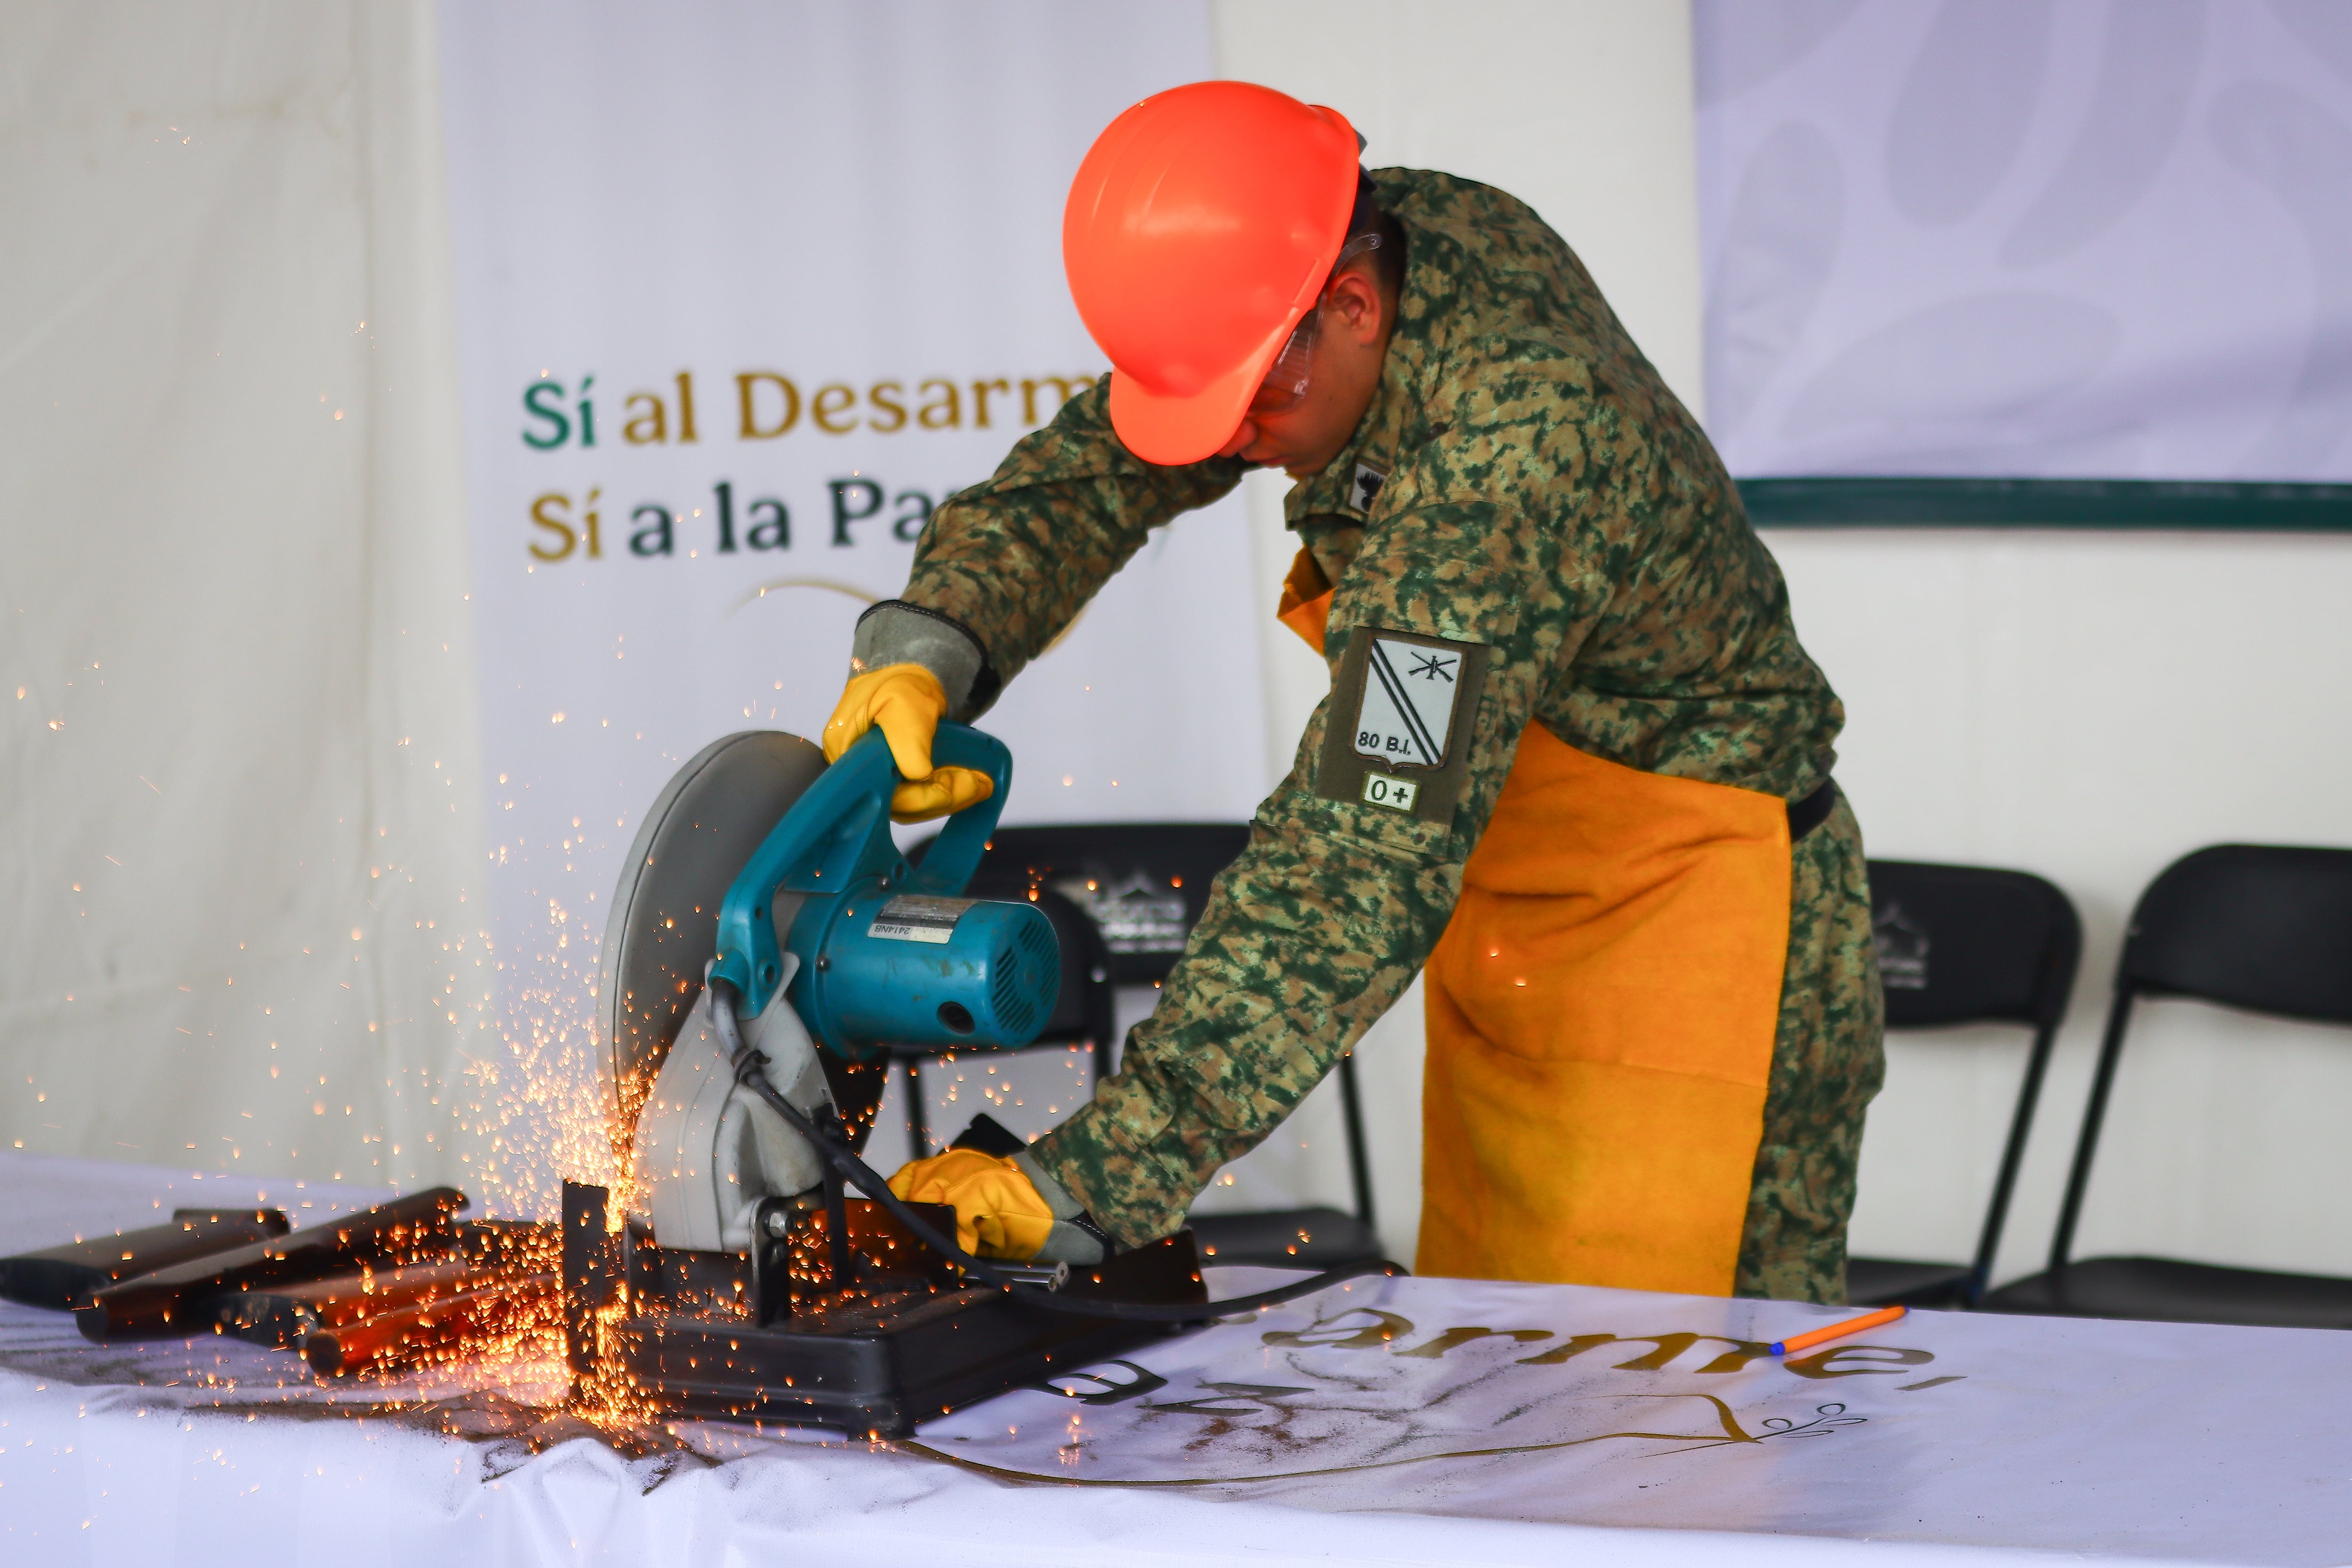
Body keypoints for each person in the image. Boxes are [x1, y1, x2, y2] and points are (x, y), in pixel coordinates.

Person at [825, 80, 1883, 1302]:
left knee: (1682, 1429)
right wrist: (935, 639)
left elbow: (1355, 862)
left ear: (1353, 308)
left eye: (1251, 404)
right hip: (1533, 906)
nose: (1232, 441)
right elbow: (1108, 464)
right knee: (1513, 1381)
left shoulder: (1509, 455)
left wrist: (1092, 1179)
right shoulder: (1364, 241)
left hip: (1699, 934)